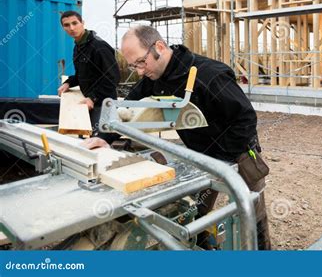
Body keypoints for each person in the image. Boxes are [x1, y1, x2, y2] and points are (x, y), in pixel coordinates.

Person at [83, 25, 271, 250]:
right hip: (200, 156)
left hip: (237, 153)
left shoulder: (209, 74)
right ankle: (203, 249)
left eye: (141, 62)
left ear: (159, 47)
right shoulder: (155, 76)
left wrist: (222, 161)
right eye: (133, 66)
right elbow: (125, 108)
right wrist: (103, 135)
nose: (140, 71)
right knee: (194, 212)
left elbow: (245, 119)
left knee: (251, 209)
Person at [58, 11, 120, 134]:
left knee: (99, 138)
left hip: (103, 104)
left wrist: (93, 98)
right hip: (87, 101)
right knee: (83, 135)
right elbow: (82, 74)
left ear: (82, 23)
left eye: (75, 23)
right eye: (67, 25)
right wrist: (68, 83)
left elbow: (113, 77)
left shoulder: (99, 46)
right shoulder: (78, 46)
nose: (71, 28)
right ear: (63, 27)